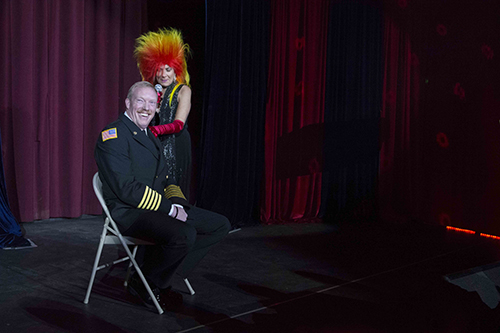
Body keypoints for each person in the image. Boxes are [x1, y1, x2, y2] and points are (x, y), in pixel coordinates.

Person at [94, 81, 230, 311]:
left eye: (151, 103)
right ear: (128, 103)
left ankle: (155, 276)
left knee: (220, 225)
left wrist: (177, 204)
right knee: (184, 233)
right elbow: (127, 189)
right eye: (140, 101)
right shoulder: (114, 136)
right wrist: (169, 209)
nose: (146, 107)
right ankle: (150, 282)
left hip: (159, 207)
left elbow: (167, 179)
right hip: (130, 212)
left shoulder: (150, 135)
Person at [134, 28, 193, 201]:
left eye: (168, 69)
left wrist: (156, 130)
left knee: (176, 191)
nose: (163, 74)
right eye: (159, 70)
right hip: (156, 146)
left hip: (177, 144)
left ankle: (179, 223)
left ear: (176, 70)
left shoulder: (183, 90)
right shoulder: (152, 91)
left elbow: (178, 124)